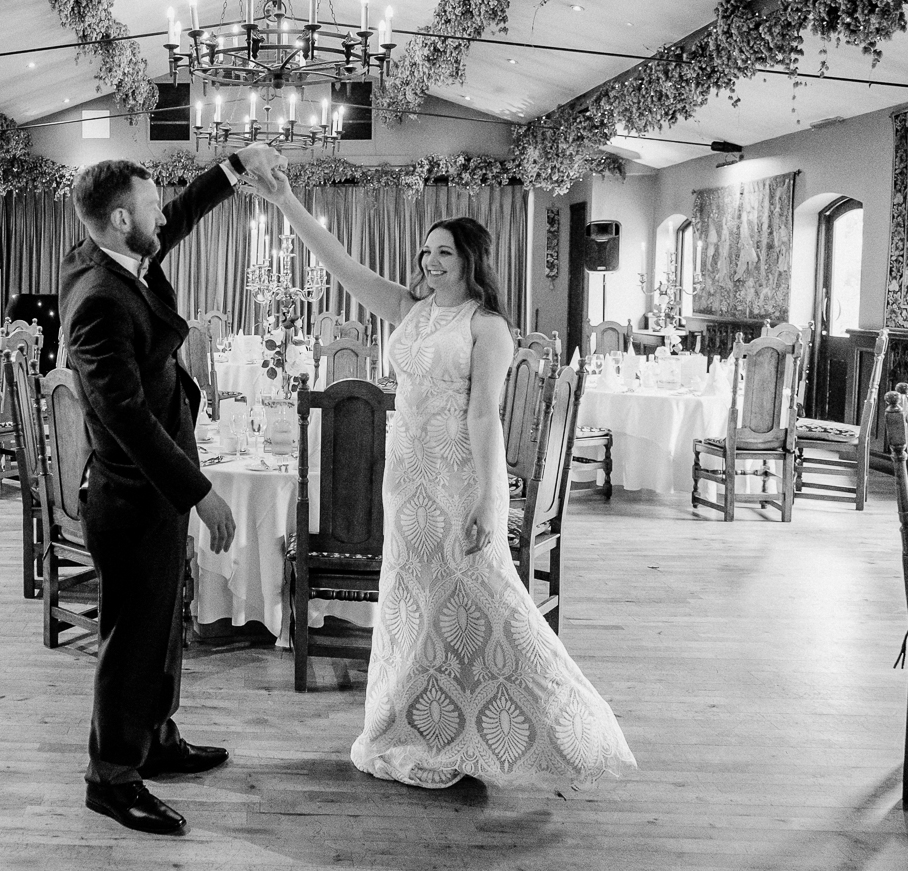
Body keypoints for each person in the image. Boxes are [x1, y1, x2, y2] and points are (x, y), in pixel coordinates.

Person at [246, 165, 636, 789]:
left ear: (470, 260)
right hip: (403, 481)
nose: (430, 261)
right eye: (426, 251)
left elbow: (485, 416)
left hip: (453, 480)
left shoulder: (488, 327)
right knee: (416, 608)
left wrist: (487, 497)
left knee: (480, 602)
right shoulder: (410, 310)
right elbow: (340, 263)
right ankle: (423, 727)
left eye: (443, 252)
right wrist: (287, 200)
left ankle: (564, 725)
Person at [60, 145, 281, 834]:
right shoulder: (98, 301)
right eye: (151, 206)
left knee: (161, 628)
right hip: (131, 495)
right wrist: (198, 492)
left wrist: (233, 168)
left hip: (152, 488)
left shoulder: (116, 253)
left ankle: (156, 737)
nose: (165, 215)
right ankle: (112, 775)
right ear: (122, 218)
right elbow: (124, 417)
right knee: (133, 638)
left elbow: (174, 216)